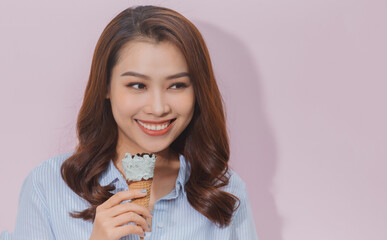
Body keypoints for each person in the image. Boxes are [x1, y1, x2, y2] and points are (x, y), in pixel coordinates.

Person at [0, 5, 257, 240]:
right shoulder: (48, 186)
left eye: (177, 85)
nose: (158, 108)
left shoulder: (224, 191)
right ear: (105, 87)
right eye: (137, 85)